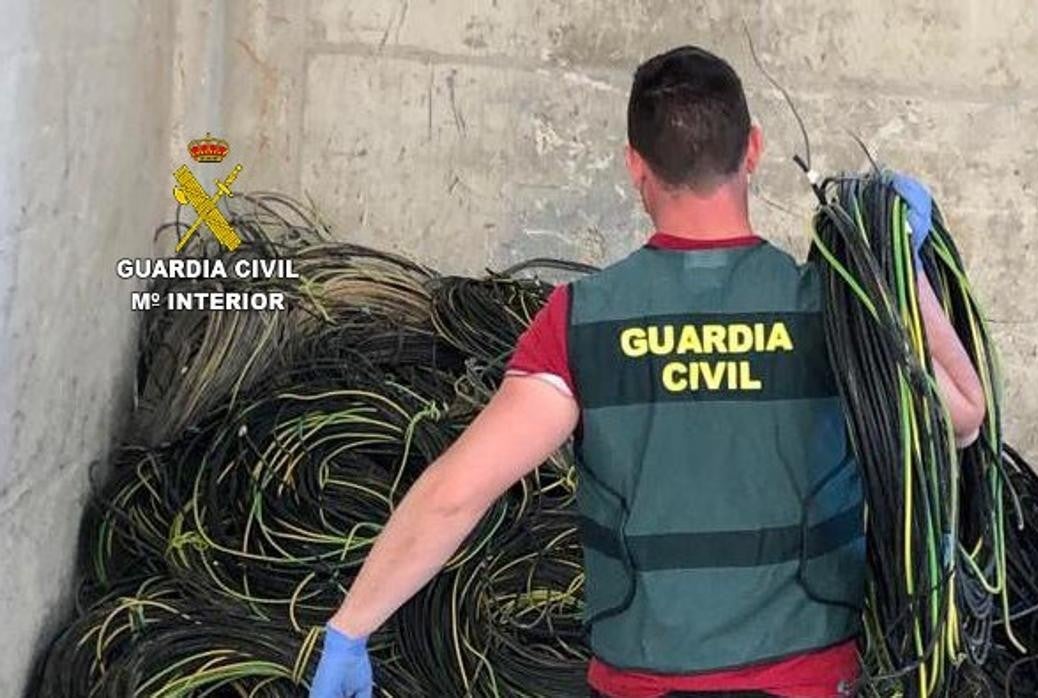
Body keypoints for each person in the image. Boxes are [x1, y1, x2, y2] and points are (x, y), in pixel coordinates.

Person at [308, 45, 986, 698]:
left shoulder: (583, 320)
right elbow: (961, 418)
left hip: (645, 683)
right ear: (753, 149)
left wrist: (349, 629)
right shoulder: (831, 309)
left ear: (635, 167)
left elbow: (456, 493)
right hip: (806, 679)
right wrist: (895, 269)